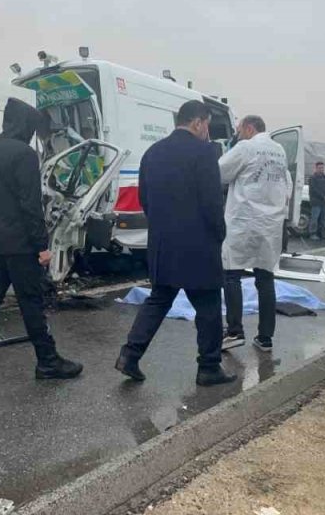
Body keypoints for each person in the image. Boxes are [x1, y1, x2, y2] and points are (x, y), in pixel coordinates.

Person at [0, 98, 83, 385]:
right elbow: (30, 206)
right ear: (24, 126)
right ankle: (47, 362)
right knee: (31, 302)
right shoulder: (23, 154)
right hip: (21, 245)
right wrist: (42, 246)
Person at [116, 100, 237, 387]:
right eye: (207, 125)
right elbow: (211, 202)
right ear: (198, 122)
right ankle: (208, 367)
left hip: (162, 244)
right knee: (207, 305)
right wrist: (219, 234)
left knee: (159, 299)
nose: (207, 131)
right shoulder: (204, 153)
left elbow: (145, 199)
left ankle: (130, 355)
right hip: (197, 245)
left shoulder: (152, 153)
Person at [218, 115, 291, 352]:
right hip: (270, 224)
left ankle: (234, 331)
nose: (237, 134)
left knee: (231, 274)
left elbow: (219, 173)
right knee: (265, 277)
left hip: (244, 221)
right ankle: (265, 338)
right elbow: (286, 186)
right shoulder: (279, 150)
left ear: (249, 128)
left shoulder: (246, 147)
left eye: (239, 130)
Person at [307, 162, 325, 240]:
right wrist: (323, 196)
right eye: (319, 168)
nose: (321, 169)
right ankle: (312, 234)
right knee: (314, 218)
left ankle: (324, 234)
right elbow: (314, 190)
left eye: (322, 168)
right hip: (316, 202)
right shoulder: (312, 178)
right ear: (316, 168)